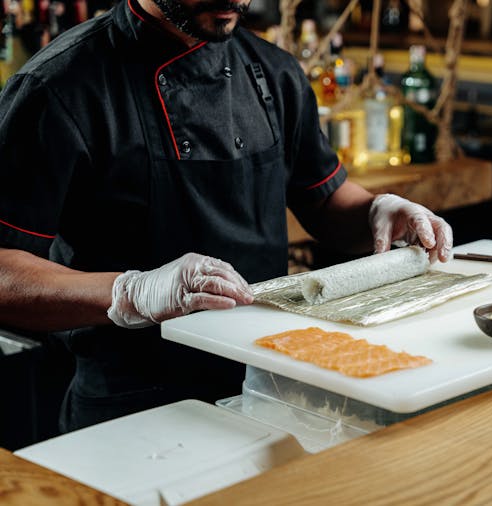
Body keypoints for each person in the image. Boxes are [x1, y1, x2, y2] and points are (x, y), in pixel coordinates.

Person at [0, 0, 453, 433]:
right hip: (129, 405)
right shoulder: (58, 86)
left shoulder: (275, 72)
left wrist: (378, 210)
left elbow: (325, 201)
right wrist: (131, 292)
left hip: (271, 386)